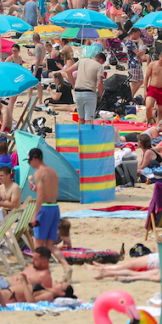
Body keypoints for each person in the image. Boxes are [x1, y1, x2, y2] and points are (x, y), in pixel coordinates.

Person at [27, 148, 71, 279]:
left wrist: (35, 215)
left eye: (29, 161)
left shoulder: (39, 173)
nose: (30, 164)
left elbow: (41, 196)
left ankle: (38, 274)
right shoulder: (52, 172)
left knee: (38, 245)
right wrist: (35, 188)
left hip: (45, 209)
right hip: (54, 207)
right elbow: (51, 193)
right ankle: (66, 266)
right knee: (50, 245)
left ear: (34, 159)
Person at [68, 53, 105, 125]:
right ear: (101, 60)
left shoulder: (82, 61)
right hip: (89, 92)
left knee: (81, 119)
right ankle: (88, 136)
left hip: (78, 92)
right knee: (88, 120)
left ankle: (81, 135)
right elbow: (100, 83)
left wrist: (73, 84)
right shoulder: (99, 66)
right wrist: (100, 95)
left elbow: (68, 71)